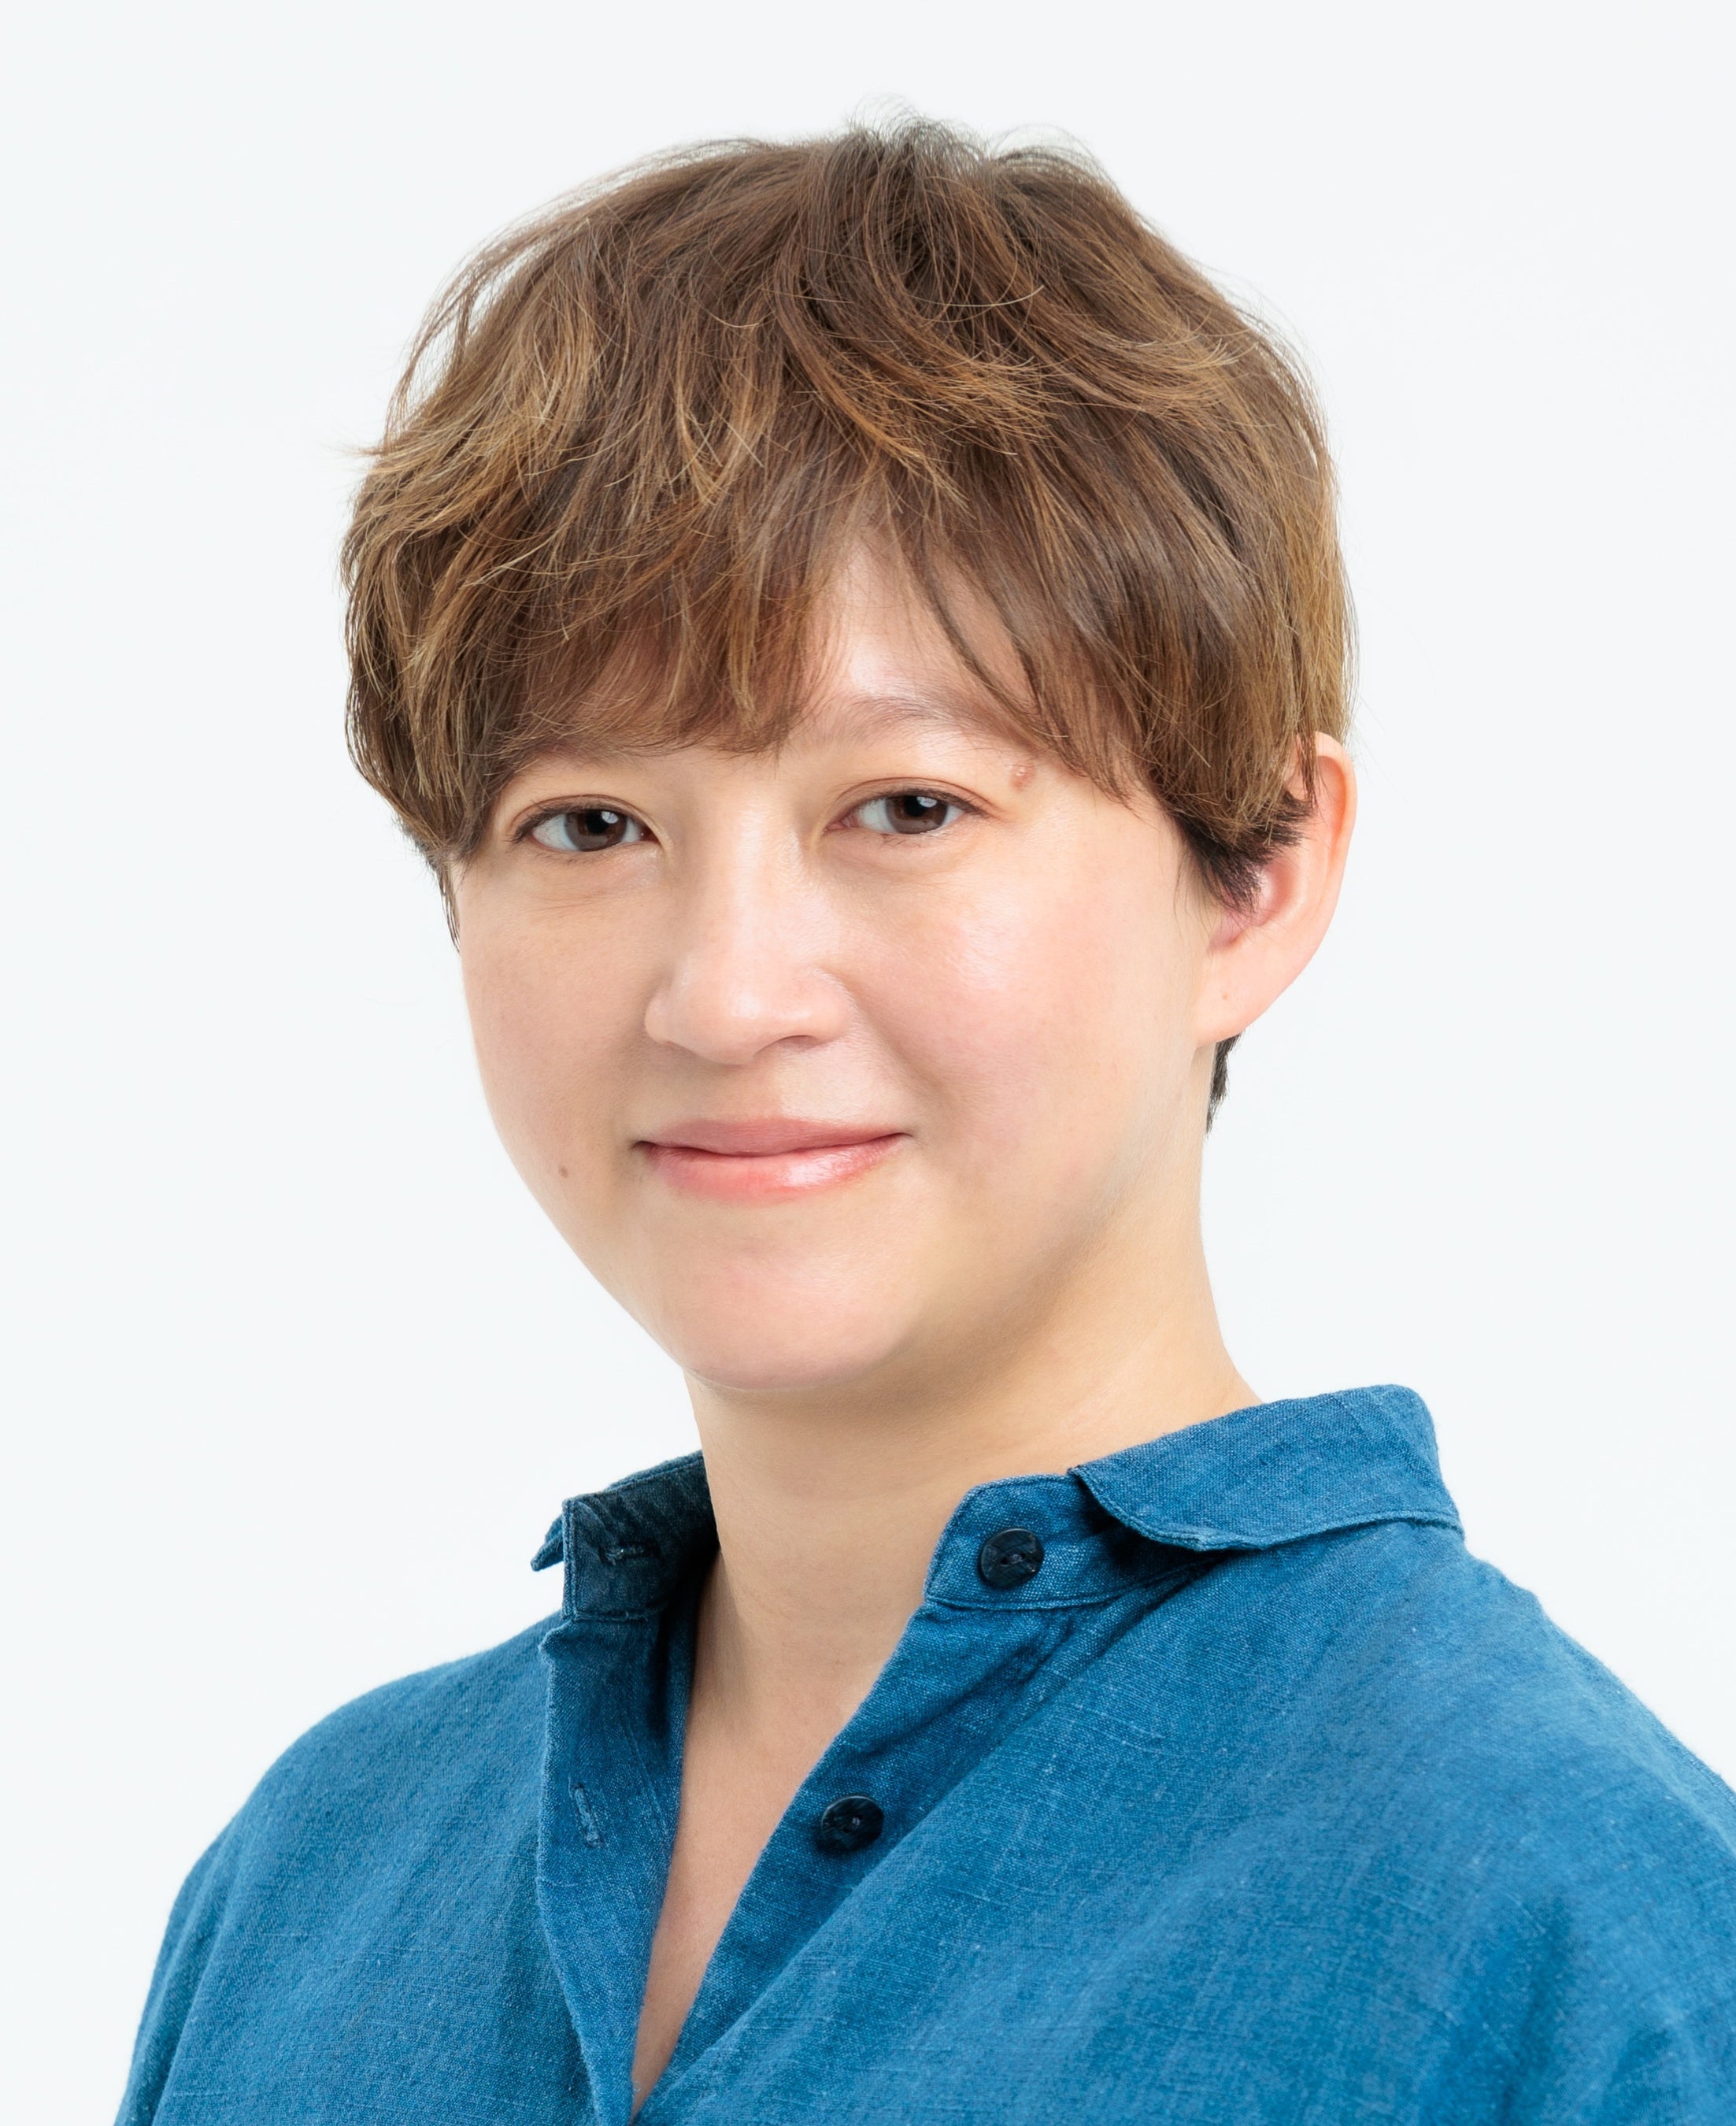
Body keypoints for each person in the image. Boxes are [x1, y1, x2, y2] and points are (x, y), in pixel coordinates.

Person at [117, 120, 1736, 2125]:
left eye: (905, 808)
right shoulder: (314, 1881)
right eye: (589, 824)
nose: (725, 996)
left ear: (1254, 878)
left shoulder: (1571, 1933)